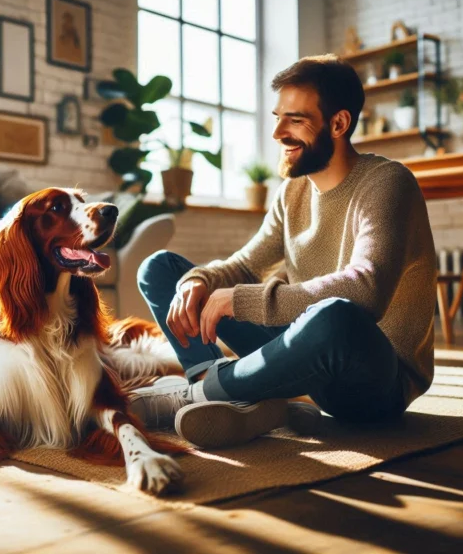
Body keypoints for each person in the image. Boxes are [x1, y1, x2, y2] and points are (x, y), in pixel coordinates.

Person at [131, 55, 437, 449]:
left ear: (339, 123)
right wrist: (199, 281)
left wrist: (241, 301)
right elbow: (245, 264)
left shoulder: (388, 183)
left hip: (375, 379)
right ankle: (240, 400)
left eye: (295, 119)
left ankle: (202, 393)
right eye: (277, 117)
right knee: (161, 269)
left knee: (335, 316)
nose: (277, 132)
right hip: (308, 355)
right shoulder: (291, 192)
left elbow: (367, 289)